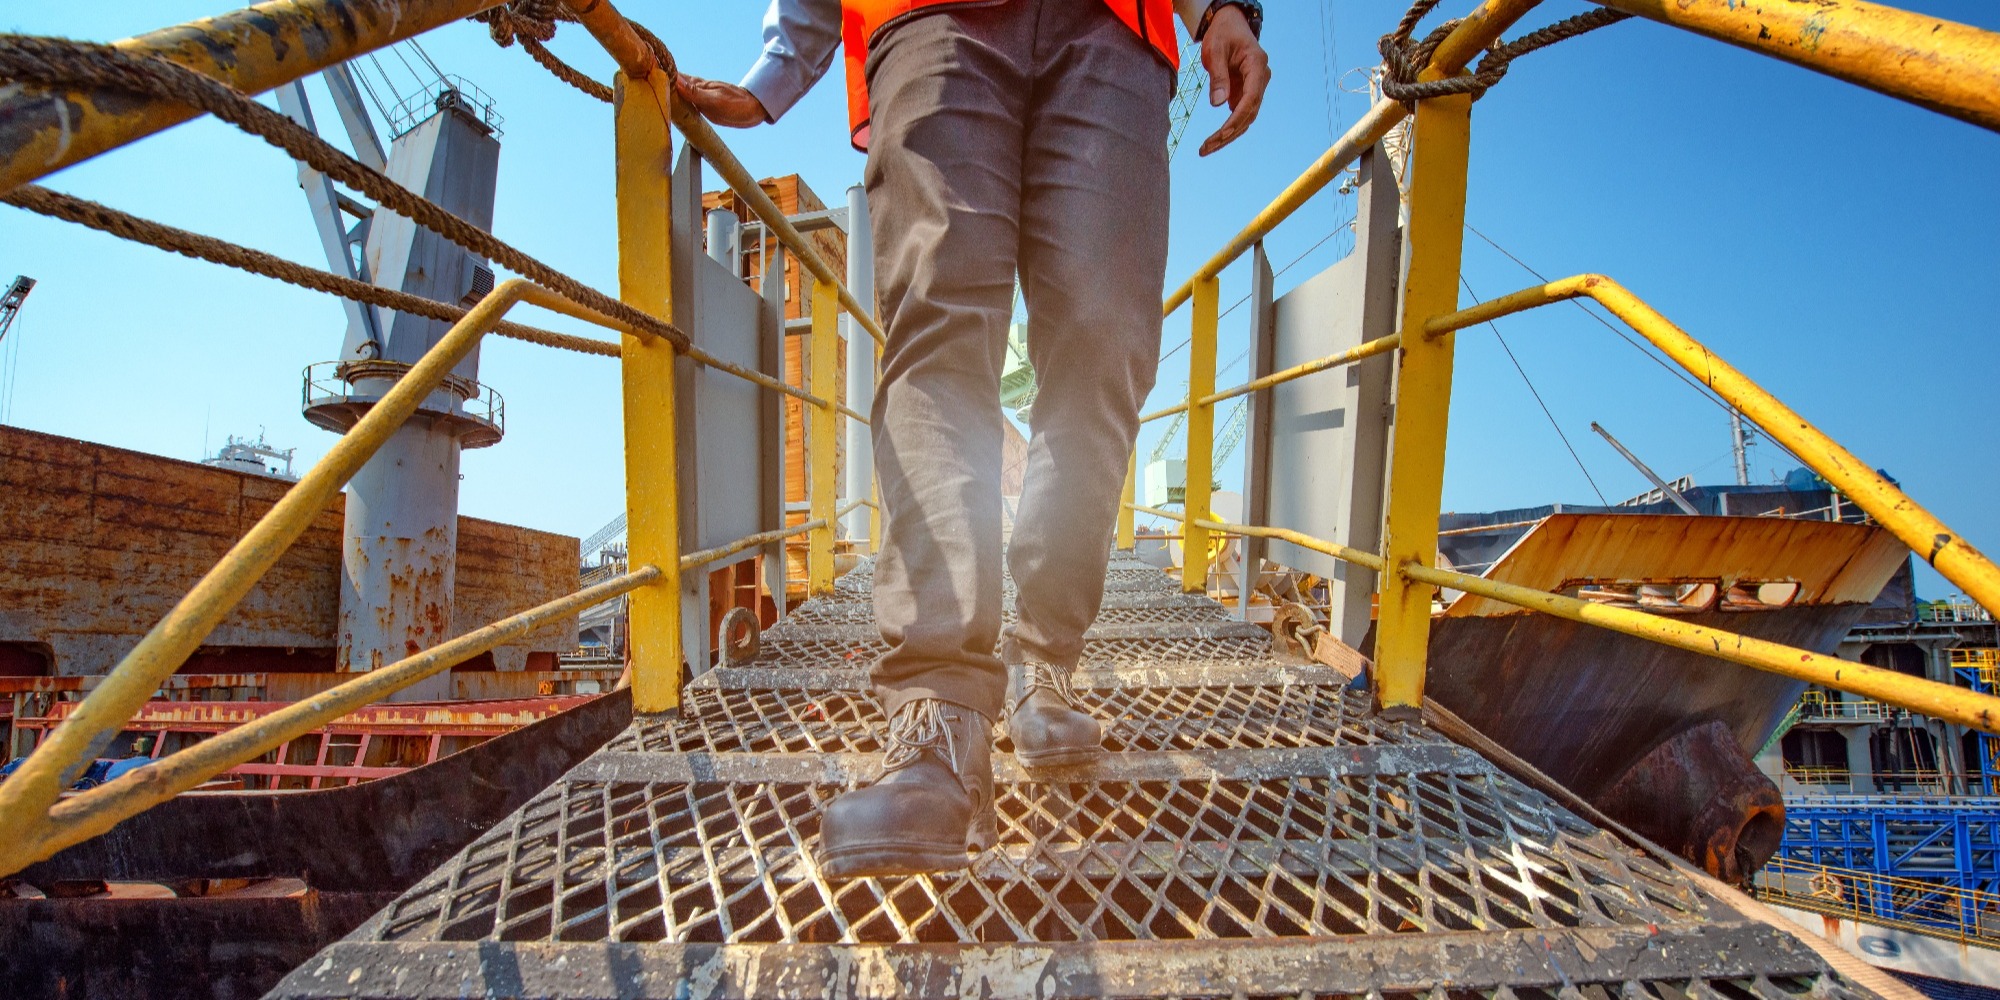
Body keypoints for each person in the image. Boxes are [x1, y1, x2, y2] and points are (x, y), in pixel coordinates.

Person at [677, 0, 1269, 879]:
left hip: (1114, 30)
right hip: (928, 19)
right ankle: (938, 719)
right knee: (939, 330)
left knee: (1106, 338)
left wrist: (1220, 7)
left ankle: (1043, 659)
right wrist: (776, 73)